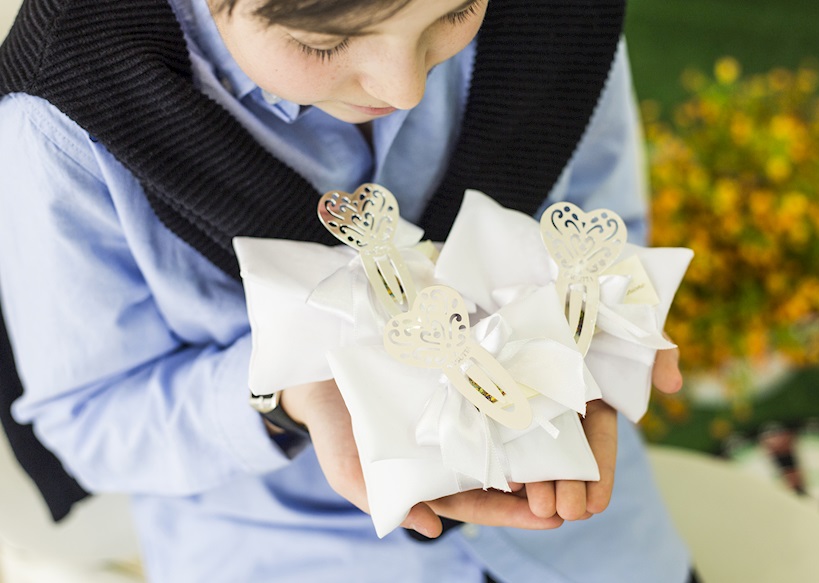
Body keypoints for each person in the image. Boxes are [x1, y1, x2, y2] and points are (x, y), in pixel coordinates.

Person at [0, 0, 693, 581]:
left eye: (454, 12)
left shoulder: (559, 17)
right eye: (322, 42)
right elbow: (86, 416)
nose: (404, 88)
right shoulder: (59, 120)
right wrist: (284, 396)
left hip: (592, 548)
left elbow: (610, 228)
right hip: (285, 551)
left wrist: (596, 331)